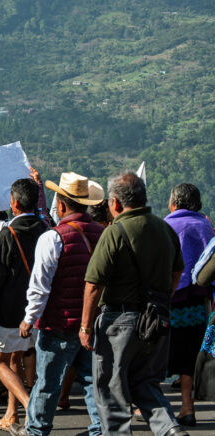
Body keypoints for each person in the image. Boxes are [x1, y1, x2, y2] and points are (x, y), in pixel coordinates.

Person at [81, 172, 189, 436]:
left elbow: (94, 285)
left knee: (112, 391)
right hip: (157, 319)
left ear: (115, 203)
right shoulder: (164, 229)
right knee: (147, 384)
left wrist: (85, 326)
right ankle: (170, 429)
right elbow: (178, 270)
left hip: (119, 322)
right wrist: (162, 299)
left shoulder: (114, 232)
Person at [12, 172, 106, 436]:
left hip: (59, 322)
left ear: (61, 206)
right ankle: (100, 428)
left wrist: (29, 319)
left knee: (47, 382)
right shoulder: (103, 234)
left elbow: (40, 286)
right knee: (93, 381)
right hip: (93, 322)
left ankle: (36, 430)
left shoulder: (53, 238)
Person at [0, 178, 49, 431]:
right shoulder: (46, 231)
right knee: (16, 360)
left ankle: (30, 407)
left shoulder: (8, 234)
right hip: (36, 310)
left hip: (8, 310)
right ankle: (12, 415)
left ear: (14, 203)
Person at [163, 183, 214, 428]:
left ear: (174, 203)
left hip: (169, 300)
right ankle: (187, 408)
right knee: (190, 355)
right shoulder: (205, 226)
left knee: (158, 352)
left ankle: (148, 407)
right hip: (198, 303)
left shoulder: (166, 225)